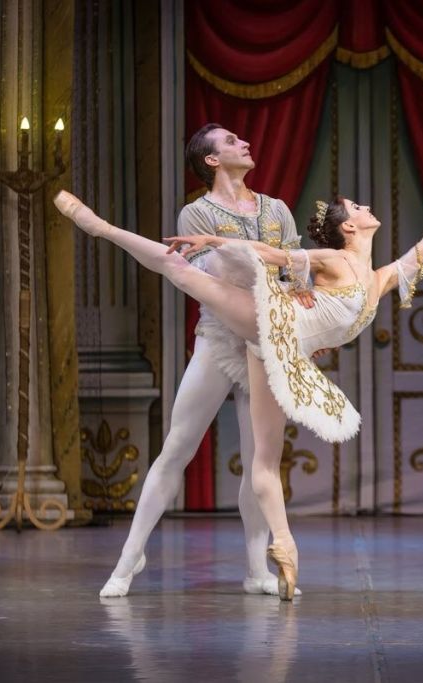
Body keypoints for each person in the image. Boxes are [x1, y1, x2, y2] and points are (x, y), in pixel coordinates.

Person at [55, 175, 423, 599]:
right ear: (349, 227)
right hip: (269, 318)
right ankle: (101, 227)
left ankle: (283, 549)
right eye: (357, 206)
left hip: (278, 353)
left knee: (264, 461)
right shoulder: (334, 259)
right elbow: (268, 254)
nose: (366, 207)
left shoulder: (379, 279)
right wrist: (213, 240)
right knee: (184, 271)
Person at [100, 124, 309, 598]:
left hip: (268, 342)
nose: (245, 144)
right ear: (211, 160)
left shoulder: (276, 209)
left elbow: (297, 267)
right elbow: (202, 278)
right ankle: (130, 557)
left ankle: (257, 570)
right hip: (220, 337)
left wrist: (302, 313)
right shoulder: (198, 213)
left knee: (259, 460)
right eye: (232, 142)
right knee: (178, 445)